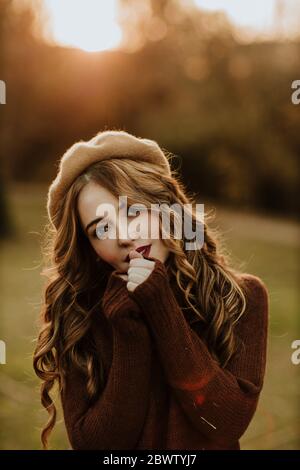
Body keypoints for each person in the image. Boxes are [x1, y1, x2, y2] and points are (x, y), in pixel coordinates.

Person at [33, 129, 269, 450]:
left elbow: (225, 423)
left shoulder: (240, 297)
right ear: (89, 248)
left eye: (131, 211)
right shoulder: (78, 314)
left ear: (163, 206)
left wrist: (161, 308)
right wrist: (128, 331)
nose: (123, 237)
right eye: (101, 229)